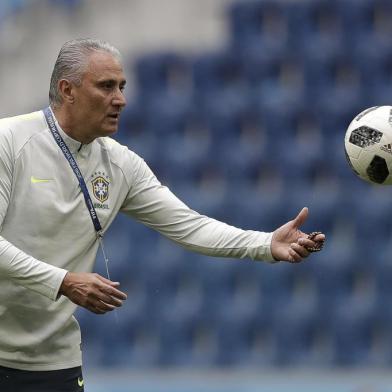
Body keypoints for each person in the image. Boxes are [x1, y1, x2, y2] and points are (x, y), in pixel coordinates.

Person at [0, 38, 325, 392]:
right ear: (68, 90)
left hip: (53, 360)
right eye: (106, 86)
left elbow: (190, 227)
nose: (120, 99)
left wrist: (265, 243)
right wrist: (64, 281)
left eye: (122, 87)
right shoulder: (10, 141)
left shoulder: (121, 164)